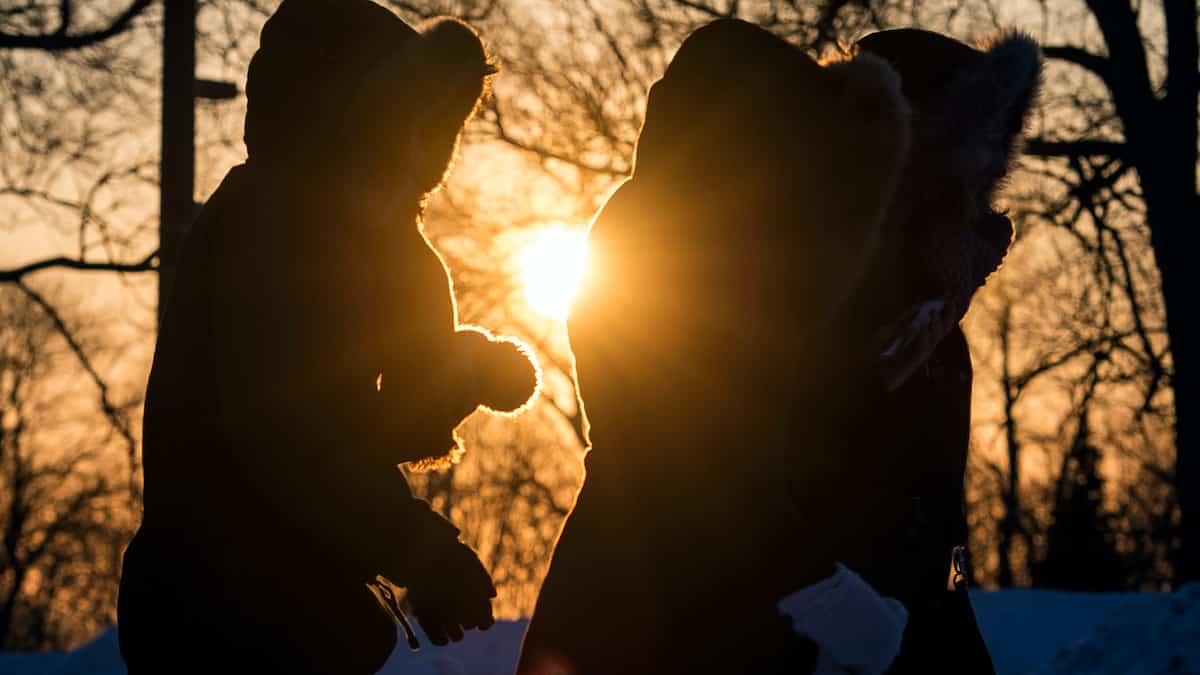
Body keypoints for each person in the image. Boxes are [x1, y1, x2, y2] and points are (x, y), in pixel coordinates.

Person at [118, 2, 536, 673]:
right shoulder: (277, 227)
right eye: (405, 124)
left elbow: (351, 425)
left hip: (278, 607)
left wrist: (455, 375)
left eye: (433, 131)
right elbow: (288, 438)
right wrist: (415, 546)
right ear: (351, 119)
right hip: (226, 615)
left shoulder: (366, 240)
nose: (420, 149)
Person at [518, 19, 917, 675]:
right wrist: (828, 592)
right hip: (668, 602)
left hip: (635, 585)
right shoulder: (700, 254)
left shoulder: (672, 228)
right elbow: (699, 462)